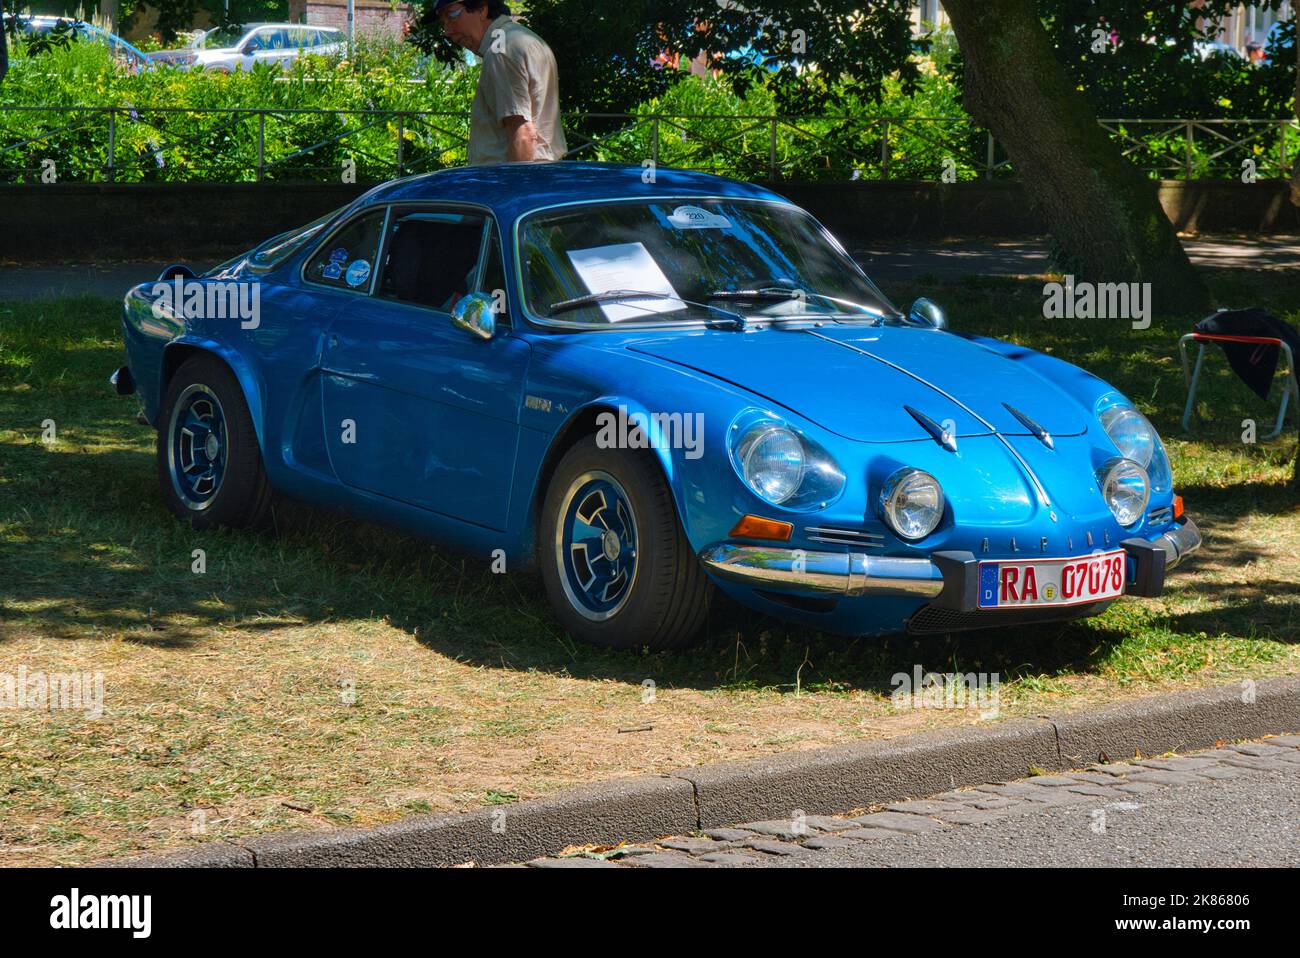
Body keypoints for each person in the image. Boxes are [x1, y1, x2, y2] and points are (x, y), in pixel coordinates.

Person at [435, 0, 567, 164]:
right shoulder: (521, 37)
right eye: (443, 23)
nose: (447, 31)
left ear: (482, 9)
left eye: (452, 16)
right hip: (541, 174)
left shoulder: (500, 50)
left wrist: (515, 188)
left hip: (512, 181)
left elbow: (523, 133)